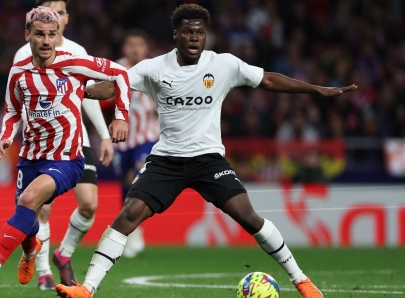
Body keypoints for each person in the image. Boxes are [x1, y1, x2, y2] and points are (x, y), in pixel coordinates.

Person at [56, 4, 357, 298]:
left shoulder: (223, 64)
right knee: (128, 215)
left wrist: (315, 88)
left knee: (249, 217)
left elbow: (266, 79)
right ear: (176, 35)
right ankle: (87, 289)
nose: (194, 38)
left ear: (206, 35)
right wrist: (78, 89)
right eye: (187, 32)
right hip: (167, 160)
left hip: (208, 159)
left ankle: (302, 281)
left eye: (200, 32)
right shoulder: (153, 68)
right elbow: (112, 86)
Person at [0, 6, 130, 288]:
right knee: (27, 220)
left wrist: (120, 117)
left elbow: (120, 74)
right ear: (27, 34)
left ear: (58, 36)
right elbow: (12, 111)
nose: (46, 41)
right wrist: (6, 136)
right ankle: (31, 250)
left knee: (29, 200)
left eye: (51, 35)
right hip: (30, 157)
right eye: (40, 34)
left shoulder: (75, 63)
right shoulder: (18, 72)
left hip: (67, 158)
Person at [13, 0, 115, 290]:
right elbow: (20, 99)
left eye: (58, 11)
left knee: (89, 205)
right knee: (42, 209)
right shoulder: (24, 53)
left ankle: (63, 253)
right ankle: (43, 272)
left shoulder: (77, 52)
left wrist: (104, 135)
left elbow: (88, 95)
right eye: (48, 10)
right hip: (43, 144)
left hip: (76, 139)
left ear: (66, 18)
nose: (53, 16)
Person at [111, 29, 159, 258]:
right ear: (124, 48)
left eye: (139, 44)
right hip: (121, 140)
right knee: (125, 182)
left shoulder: (155, 69)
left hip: (147, 137)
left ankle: (134, 229)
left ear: (145, 48)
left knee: (137, 175)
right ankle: (131, 229)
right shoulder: (115, 69)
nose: (135, 49)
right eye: (130, 44)